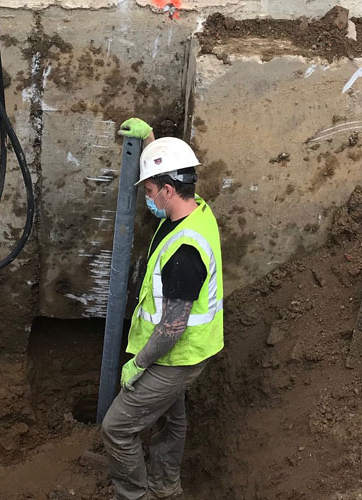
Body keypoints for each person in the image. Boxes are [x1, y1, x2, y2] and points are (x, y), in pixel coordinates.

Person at [101, 118, 225, 499]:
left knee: (117, 429)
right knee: (173, 417)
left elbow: (171, 329)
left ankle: (135, 494)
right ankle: (166, 486)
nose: (148, 199)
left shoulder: (185, 253)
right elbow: (171, 169)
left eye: (151, 191)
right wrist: (152, 142)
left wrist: (138, 364)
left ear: (169, 190)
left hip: (176, 355)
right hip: (190, 348)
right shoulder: (194, 209)